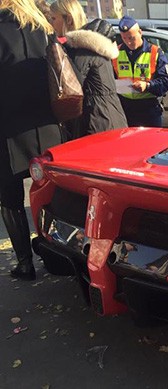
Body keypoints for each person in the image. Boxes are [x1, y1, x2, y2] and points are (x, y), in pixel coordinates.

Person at [0, 0, 66, 280]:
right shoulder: (42, 28)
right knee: (52, 191)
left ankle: (25, 263)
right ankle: (58, 254)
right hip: (47, 123)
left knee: (9, 198)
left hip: (8, 127)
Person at [49, 0, 127, 138]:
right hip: (108, 117)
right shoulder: (91, 44)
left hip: (97, 122)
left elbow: (70, 87)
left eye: (54, 18)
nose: (51, 23)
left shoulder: (82, 48)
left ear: (69, 19)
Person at [113, 15, 168, 127]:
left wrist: (148, 85)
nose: (128, 42)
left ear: (140, 32)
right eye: (124, 38)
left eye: (131, 38)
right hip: (125, 108)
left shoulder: (155, 52)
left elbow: (166, 81)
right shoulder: (116, 53)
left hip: (149, 109)